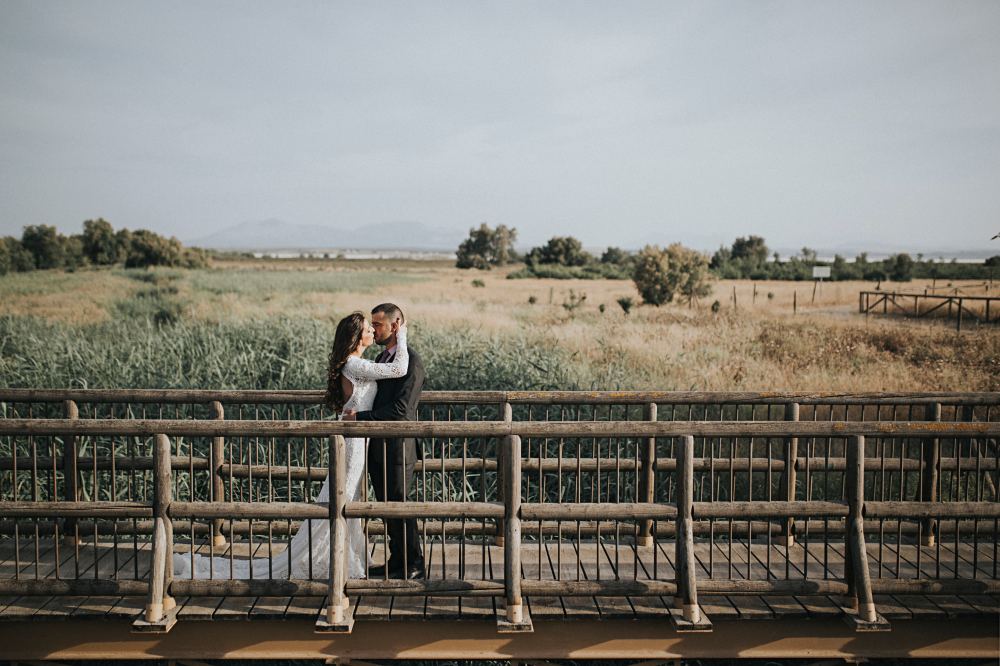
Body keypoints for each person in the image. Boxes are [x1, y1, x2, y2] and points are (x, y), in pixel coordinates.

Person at [172, 310, 410, 580]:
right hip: (353, 443)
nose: (372, 332)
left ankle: (345, 554)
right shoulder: (354, 365)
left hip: (358, 440)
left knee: (348, 497)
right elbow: (399, 368)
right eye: (368, 329)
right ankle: (333, 557)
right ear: (356, 337)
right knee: (342, 498)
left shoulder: (358, 363)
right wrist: (401, 335)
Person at [343, 302, 425, 579]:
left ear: (395, 325)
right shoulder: (381, 360)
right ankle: (397, 560)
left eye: (378, 324)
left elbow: (402, 409)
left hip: (400, 444)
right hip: (379, 443)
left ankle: (414, 563)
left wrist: (361, 417)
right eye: (373, 325)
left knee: (401, 502)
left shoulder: (410, 361)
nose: (374, 329)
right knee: (386, 504)